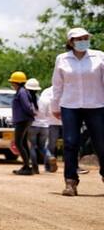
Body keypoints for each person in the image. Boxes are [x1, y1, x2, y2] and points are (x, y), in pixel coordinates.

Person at [51, 27, 104, 196]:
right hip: (70, 105)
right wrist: (54, 106)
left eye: (84, 38)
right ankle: (70, 182)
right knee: (70, 143)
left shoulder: (99, 56)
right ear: (70, 42)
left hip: (96, 104)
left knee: (101, 143)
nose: (82, 41)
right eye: (78, 39)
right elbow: (57, 85)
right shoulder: (62, 59)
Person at [9, 71, 36, 175]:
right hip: (23, 120)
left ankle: (27, 166)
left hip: (23, 120)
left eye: (13, 82)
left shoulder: (22, 92)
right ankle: (26, 166)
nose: (12, 84)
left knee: (18, 143)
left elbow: (26, 106)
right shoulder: (22, 91)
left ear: (16, 83)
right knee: (23, 143)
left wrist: (31, 113)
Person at [26, 78, 47, 174]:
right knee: (42, 147)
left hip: (33, 126)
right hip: (45, 126)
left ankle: (35, 168)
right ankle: (50, 157)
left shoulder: (28, 101)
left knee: (33, 147)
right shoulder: (44, 100)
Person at [38, 86, 61, 172]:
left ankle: (48, 166)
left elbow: (42, 108)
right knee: (70, 145)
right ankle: (73, 167)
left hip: (51, 122)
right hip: (65, 121)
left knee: (50, 145)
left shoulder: (47, 92)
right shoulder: (67, 89)